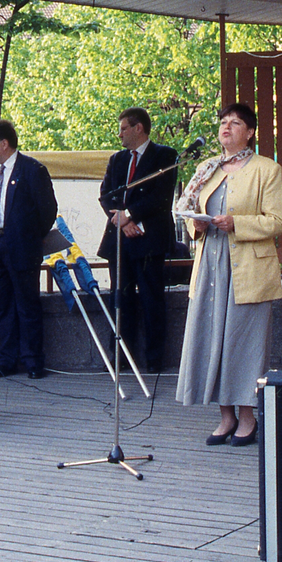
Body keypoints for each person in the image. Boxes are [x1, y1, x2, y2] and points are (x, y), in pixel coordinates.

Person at [175, 103, 282, 447]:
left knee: (244, 342)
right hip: (211, 264)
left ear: (250, 132)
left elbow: (278, 222)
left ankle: (248, 417)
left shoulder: (267, 169)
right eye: (223, 122)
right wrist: (197, 223)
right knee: (212, 338)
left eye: (235, 123)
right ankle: (225, 416)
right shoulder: (207, 168)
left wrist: (237, 223)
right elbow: (192, 211)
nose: (226, 128)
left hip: (249, 266)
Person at [97, 107, 178, 373]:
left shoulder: (164, 155)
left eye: (123, 128)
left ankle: (153, 359)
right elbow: (107, 195)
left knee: (151, 298)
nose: (118, 133)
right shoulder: (117, 159)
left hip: (148, 238)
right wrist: (122, 221)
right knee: (119, 297)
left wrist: (131, 216)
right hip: (120, 240)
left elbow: (160, 197)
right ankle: (120, 356)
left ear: (138, 128)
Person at [0, 119, 57, 380]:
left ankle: (33, 360)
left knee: (27, 304)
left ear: (4, 143)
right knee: (1, 305)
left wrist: (31, 237)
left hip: (22, 246)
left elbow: (48, 211)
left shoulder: (32, 170)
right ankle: (7, 359)